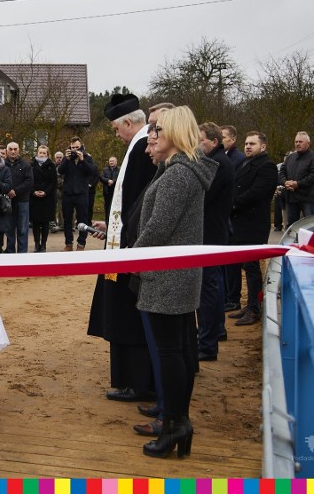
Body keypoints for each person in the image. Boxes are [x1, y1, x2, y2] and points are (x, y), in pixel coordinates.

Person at [133, 106, 216, 458]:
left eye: (158, 130)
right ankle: (177, 423)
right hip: (175, 275)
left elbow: (157, 229)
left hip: (167, 277)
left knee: (172, 353)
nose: (152, 135)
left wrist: (129, 258)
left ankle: (176, 424)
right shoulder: (179, 171)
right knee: (178, 350)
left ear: (176, 133)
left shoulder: (179, 174)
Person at [87, 93, 158, 403]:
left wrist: (125, 235)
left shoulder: (143, 149)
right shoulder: (138, 146)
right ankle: (129, 379)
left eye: (116, 129)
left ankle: (136, 382)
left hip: (130, 250)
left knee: (127, 315)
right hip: (123, 242)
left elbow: (142, 204)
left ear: (129, 123)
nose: (116, 136)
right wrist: (112, 226)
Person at [225, 131, 278, 326]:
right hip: (241, 222)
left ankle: (255, 308)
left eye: (252, 144)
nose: (247, 147)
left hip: (253, 223)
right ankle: (250, 305)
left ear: (262, 147)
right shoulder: (246, 163)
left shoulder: (267, 166)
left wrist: (233, 205)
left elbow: (257, 193)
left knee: (252, 267)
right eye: (246, 143)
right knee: (246, 266)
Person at [196, 122, 235, 362]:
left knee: (208, 289)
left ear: (213, 141)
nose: (197, 145)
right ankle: (215, 331)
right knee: (213, 285)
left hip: (210, 233)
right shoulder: (220, 161)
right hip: (214, 231)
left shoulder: (218, 163)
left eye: (200, 140)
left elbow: (203, 197)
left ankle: (208, 342)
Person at [58, 136, 98, 251]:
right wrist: (66, 159)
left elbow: (92, 171)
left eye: (77, 147)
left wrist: (82, 160)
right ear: (70, 147)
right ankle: (68, 243)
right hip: (68, 193)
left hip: (81, 193)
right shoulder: (67, 158)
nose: (75, 149)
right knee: (67, 219)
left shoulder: (87, 157)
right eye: (73, 147)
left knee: (83, 219)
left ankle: (81, 243)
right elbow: (60, 171)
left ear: (81, 146)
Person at [278, 132, 314, 228]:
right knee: (292, 226)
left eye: (300, 142)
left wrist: (297, 184)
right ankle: (294, 243)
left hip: (307, 197)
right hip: (291, 197)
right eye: (296, 141)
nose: (298, 144)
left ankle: (310, 243)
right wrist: (285, 182)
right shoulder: (290, 157)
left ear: (308, 143)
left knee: (309, 225)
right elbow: (282, 172)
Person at [4, 142, 34, 253]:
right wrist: (7, 191)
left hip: (22, 201)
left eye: (15, 149)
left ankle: (22, 255)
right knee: (9, 229)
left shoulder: (25, 165)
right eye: (10, 149)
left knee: (23, 229)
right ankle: (10, 253)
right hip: (7, 202)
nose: (13, 151)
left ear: (18, 150)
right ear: (7, 151)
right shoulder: (3, 165)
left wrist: (15, 191)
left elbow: (29, 181)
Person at [30, 145, 56, 253]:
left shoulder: (51, 165)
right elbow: (29, 180)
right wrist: (34, 191)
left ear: (47, 154)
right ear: (37, 153)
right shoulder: (31, 165)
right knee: (36, 223)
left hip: (47, 198)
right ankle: (37, 244)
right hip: (35, 197)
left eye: (44, 153)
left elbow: (53, 182)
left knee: (45, 223)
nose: (42, 154)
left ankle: (44, 244)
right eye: (40, 152)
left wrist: (45, 192)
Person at [100, 157, 120, 223]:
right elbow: (101, 177)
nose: (111, 162)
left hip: (116, 191)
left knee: (115, 207)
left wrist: (113, 181)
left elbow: (120, 178)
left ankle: (115, 221)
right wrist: (107, 181)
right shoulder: (105, 169)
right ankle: (107, 221)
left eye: (112, 161)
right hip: (107, 191)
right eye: (110, 161)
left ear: (116, 162)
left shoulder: (120, 169)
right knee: (107, 207)